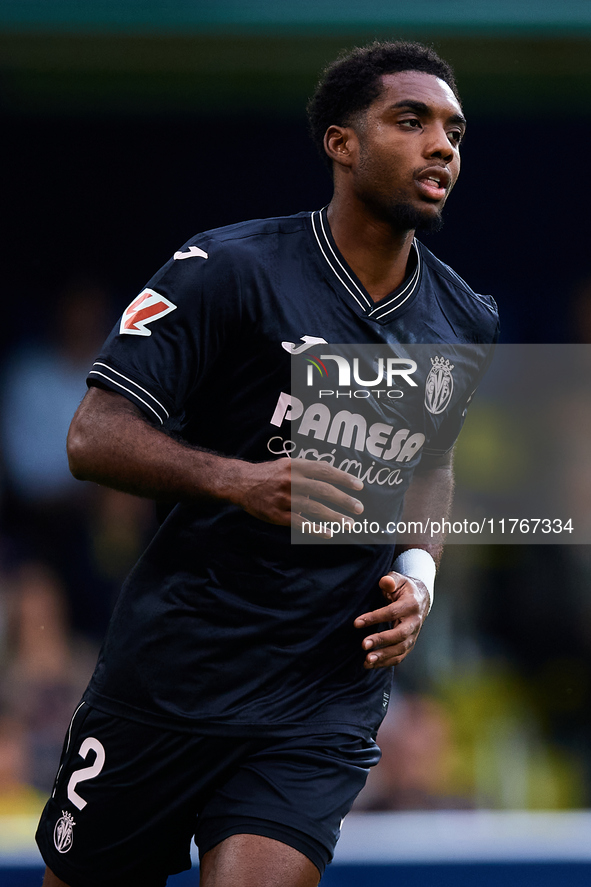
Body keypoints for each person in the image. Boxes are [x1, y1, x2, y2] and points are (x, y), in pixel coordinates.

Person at [36, 41, 499, 887]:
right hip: (175, 672)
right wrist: (234, 479)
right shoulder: (229, 269)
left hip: (323, 688)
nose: (442, 146)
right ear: (341, 142)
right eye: (412, 120)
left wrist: (417, 576)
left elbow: (432, 464)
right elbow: (91, 437)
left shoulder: (463, 319)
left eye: (454, 131)